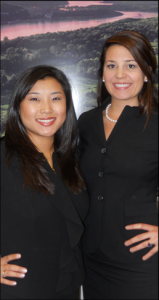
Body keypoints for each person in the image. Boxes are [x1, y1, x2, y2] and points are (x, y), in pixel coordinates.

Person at [78, 31, 158, 299]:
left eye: (131, 65)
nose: (120, 75)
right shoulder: (85, 122)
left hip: (141, 259)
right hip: (92, 259)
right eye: (112, 65)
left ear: (147, 72)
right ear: (102, 72)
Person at [0, 65, 89, 299]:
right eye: (35, 99)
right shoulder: (4, 156)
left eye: (56, 98)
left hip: (67, 285)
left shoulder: (71, 158)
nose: (47, 109)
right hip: (20, 288)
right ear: (18, 105)